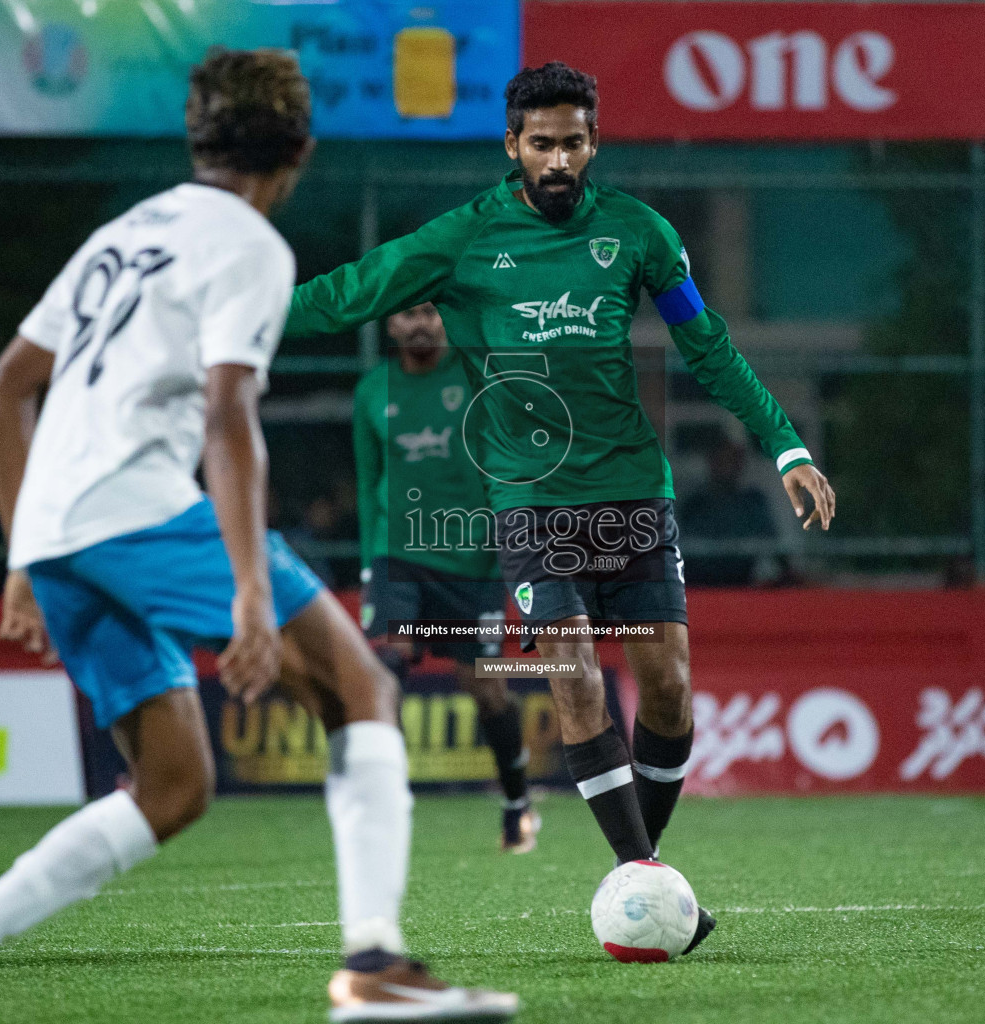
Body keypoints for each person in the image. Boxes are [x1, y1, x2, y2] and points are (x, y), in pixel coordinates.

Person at [0, 48, 515, 1024]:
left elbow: (4, 389)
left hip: (57, 533)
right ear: (298, 150)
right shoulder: (250, 246)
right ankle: (374, 964)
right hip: (137, 509)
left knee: (173, 783)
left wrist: (22, 560)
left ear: (197, 140)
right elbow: (227, 418)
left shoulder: (124, 233)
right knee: (361, 685)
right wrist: (252, 589)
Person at [286, 61, 836, 956]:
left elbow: (711, 347)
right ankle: (646, 883)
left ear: (592, 143)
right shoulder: (463, 238)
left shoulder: (641, 234)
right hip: (531, 501)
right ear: (512, 146)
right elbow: (346, 291)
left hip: (631, 492)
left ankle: (639, 872)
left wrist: (788, 445)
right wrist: (233, 317)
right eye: (540, 143)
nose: (557, 159)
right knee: (573, 671)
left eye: (573, 142)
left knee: (668, 684)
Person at [353, 302, 539, 853]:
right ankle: (383, 805)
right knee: (388, 662)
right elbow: (369, 486)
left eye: (431, 312)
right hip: (397, 553)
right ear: (388, 324)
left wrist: (510, 553)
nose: (419, 324)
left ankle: (515, 800)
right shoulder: (370, 392)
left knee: (483, 688)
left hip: (472, 560)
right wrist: (369, 568)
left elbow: (510, 466)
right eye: (407, 314)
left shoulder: (477, 376)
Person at [677, 439, 784, 586]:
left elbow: (774, 546)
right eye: (722, 460)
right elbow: (684, 548)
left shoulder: (752, 502)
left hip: (741, 587)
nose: (729, 466)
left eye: (735, 460)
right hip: (698, 587)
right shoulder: (694, 504)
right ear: (712, 462)